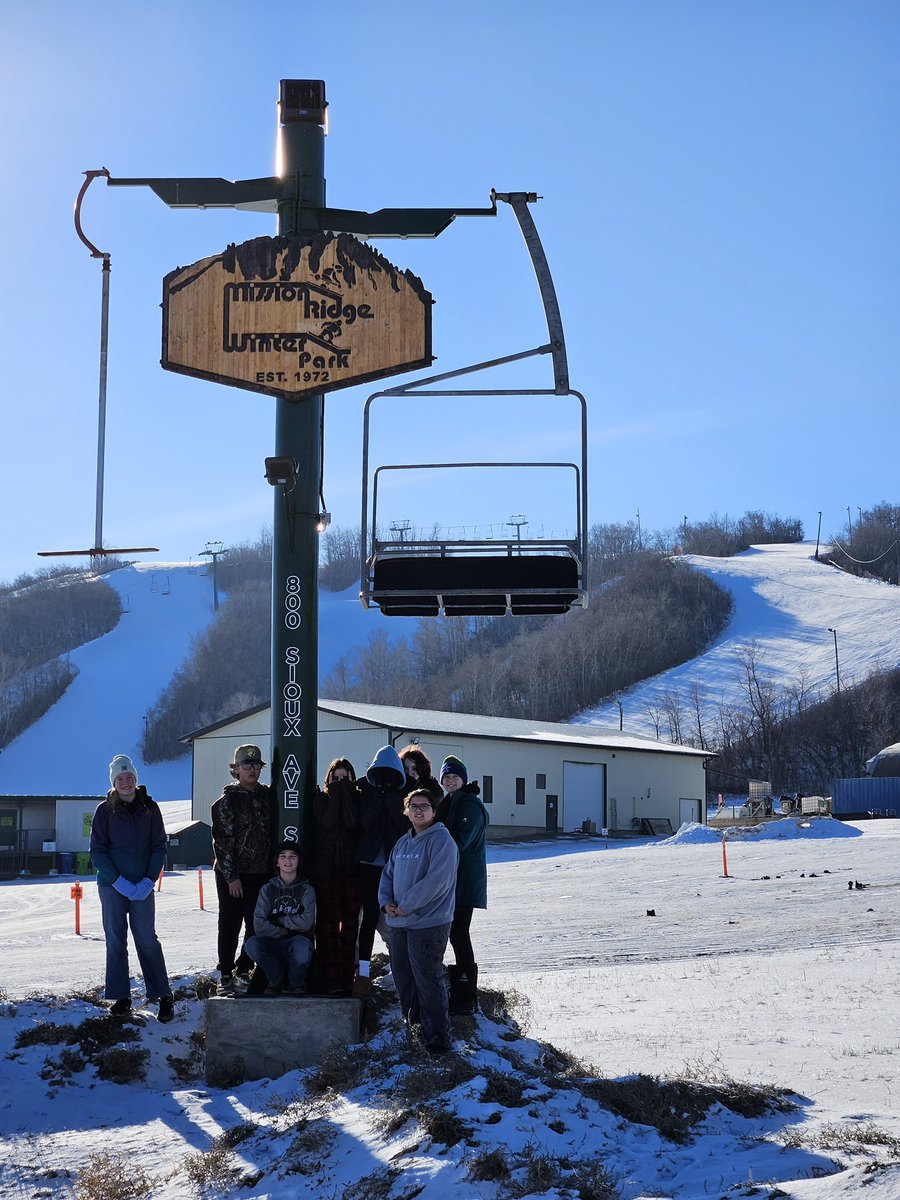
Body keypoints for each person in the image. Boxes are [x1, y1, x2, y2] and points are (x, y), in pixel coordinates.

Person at [89, 754, 174, 1022]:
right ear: (113, 782)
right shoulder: (104, 810)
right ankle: (122, 997)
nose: (126, 782)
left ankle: (163, 995)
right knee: (115, 940)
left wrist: (149, 880)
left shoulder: (150, 808)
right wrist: (117, 881)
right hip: (113, 886)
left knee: (147, 939)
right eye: (120, 778)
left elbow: (159, 846)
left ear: (136, 779)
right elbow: (97, 851)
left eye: (130, 777)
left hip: (143, 887)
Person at [378, 789, 459, 1054]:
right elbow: (387, 875)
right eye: (413, 806)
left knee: (427, 979)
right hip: (399, 924)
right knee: (404, 979)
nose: (419, 810)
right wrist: (386, 902)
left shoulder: (442, 841)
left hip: (429, 923)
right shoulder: (403, 843)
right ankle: (414, 1032)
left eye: (424, 806)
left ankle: (437, 1041)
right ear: (407, 810)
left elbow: (437, 881)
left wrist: (406, 905)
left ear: (434, 812)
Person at [211, 744, 274, 994]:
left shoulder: (269, 797)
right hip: (232, 874)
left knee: (256, 924)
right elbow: (222, 842)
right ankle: (225, 974)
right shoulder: (225, 803)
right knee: (230, 923)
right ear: (236, 769)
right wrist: (232, 877)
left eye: (256, 765)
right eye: (247, 765)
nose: (252, 770)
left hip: (261, 872)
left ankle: (244, 968)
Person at [354, 744, 409, 997]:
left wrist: (391, 801)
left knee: (393, 920)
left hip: (392, 867)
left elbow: (402, 826)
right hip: (367, 864)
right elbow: (364, 823)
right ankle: (362, 973)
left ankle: (400, 971)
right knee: (367, 921)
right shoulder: (365, 792)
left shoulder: (404, 796)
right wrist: (376, 798)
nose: (385, 780)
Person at [436, 754, 488, 1015]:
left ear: (463, 779)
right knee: (453, 932)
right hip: (452, 880)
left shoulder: (469, 805)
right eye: (447, 776)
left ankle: (465, 995)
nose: (451, 780)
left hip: (464, 881)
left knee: (458, 932)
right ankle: (458, 990)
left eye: (455, 776)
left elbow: (458, 841)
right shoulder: (449, 802)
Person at [310, 758, 361, 995]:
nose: (340, 782)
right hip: (326, 871)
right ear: (329, 778)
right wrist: (337, 794)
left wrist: (346, 794)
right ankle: (330, 980)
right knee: (327, 928)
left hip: (350, 870)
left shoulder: (358, 798)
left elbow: (352, 823)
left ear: (352, 778)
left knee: (350, 927)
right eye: (336, 778)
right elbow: (328, 822)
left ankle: (347, 976)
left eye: (344, 778)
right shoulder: (321, 799)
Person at [244, 842, 316, 995]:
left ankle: (296, 984)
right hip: (273, 941)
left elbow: (307, 922)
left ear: (298, 861)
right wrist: (285, 931)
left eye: (292, 857)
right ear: (277, 862)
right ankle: (275, 981)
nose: (288, 861)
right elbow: (259, 924)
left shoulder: (307, 889)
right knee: (252, 944)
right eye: (283, 857)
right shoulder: (267, 889)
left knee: (302, 947)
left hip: (297, 942)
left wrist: (280, 920)